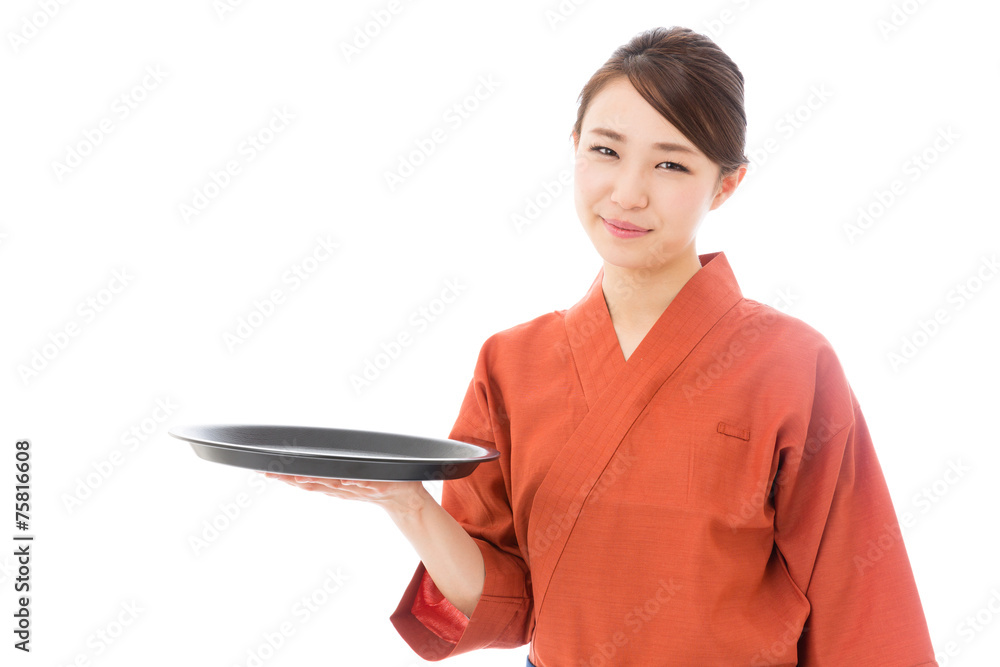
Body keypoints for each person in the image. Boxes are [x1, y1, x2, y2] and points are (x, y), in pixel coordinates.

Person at [266, 26, 938, 666]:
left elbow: (860, 600)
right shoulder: (511, 362)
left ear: (725, 184)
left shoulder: (792, 365)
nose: (627, 193)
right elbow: (506, 599)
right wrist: (405, 500)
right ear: (575, 146)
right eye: (606, 150)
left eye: (671, 163)